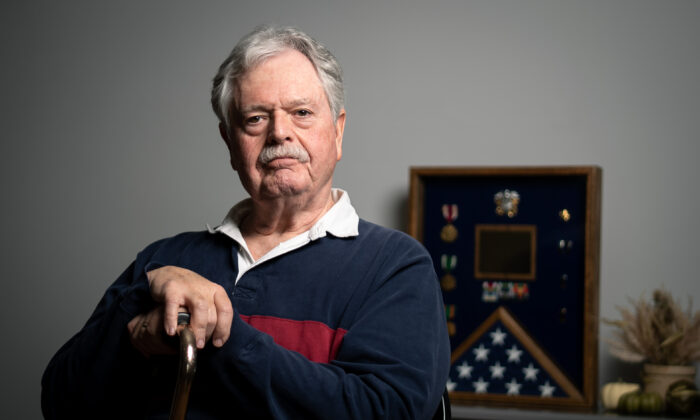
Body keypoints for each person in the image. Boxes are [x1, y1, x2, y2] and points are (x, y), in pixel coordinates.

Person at [41, 25, 450, 419]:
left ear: (338, 132)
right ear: (230, 144)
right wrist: (144, 299)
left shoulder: (395, 266)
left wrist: (216, 336)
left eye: (302, 112)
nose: (279, 134)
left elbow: (383, 410)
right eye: (255, 118)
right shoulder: (163, 260)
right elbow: (61, 404)